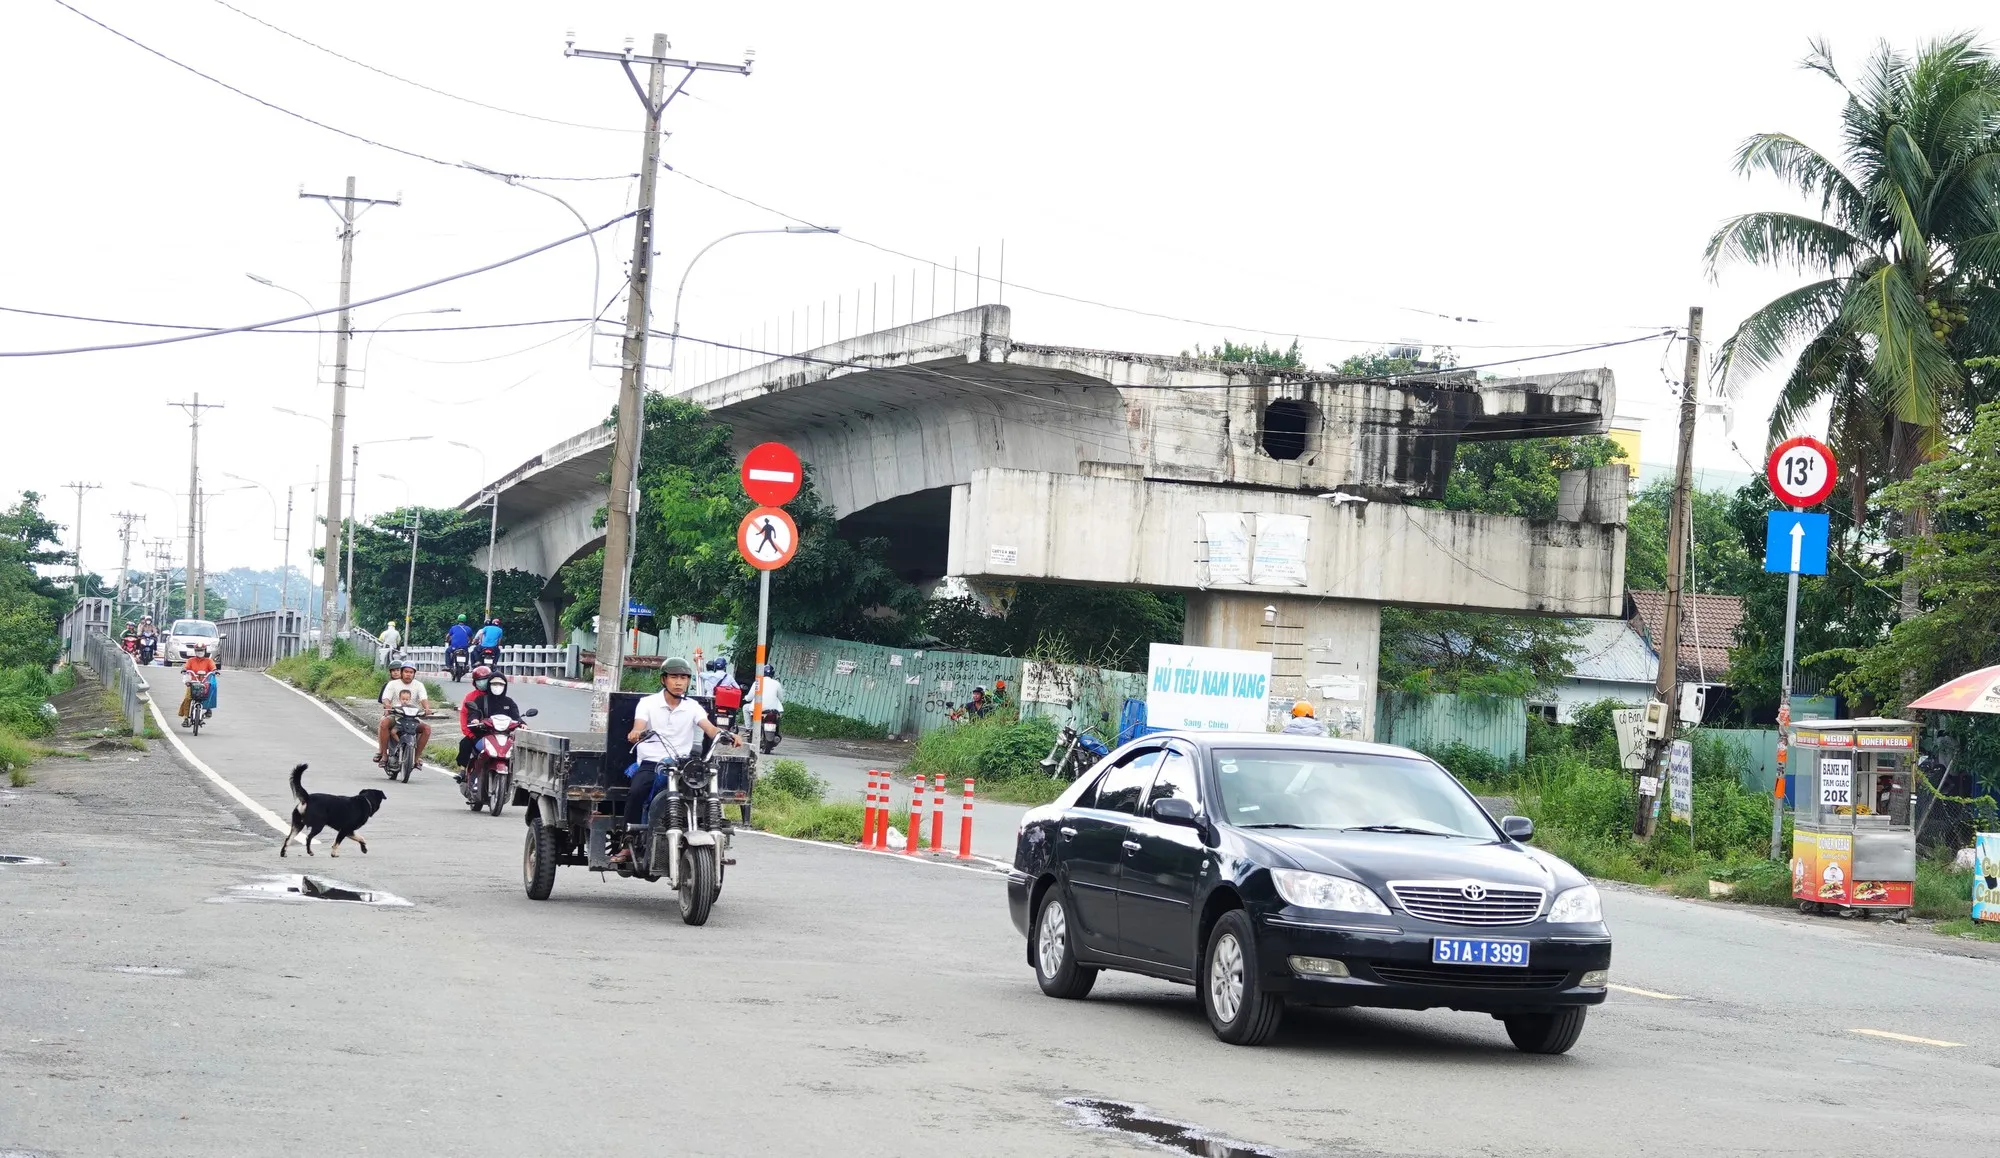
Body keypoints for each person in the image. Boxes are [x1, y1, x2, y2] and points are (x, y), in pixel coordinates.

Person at [614, 658, 739, 862]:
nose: (679, 682)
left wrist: (725, 734)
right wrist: (636, 732)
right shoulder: (648, 703)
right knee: (637, 791)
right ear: (664, 679)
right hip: (652, 763)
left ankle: (711, 843)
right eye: (674, 677)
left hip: (681, 765)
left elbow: (708, 727)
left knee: (705, 796)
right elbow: (639, 724)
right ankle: (628, 842)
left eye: (683, 678)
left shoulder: (693, 707)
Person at [456, 666, 522, 780]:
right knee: (465, 744)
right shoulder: (478, 699)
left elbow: (517, 717)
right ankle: (464, 770)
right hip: (482, 733)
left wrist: (522, 724)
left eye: (500, 684)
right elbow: (471, 715)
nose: (497, 687)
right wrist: (474, 724)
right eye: (494, 684)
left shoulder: (509, 702)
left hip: (503, 734)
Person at [375, 659, 432, 765]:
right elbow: (386, 698)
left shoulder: (419, 685)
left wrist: (427, 708)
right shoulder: (392, 684)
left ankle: (416, 757)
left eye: (411, 672)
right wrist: (387, 705)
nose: (408, 674)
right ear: (401, 672)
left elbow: (423, 698)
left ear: (414, 674)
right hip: (396, 716)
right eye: (406, 672)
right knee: (384, 723)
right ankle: (384, 755)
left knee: (427, 729)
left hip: (413, 718)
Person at [178, 643, 220, 724]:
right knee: (187, 698)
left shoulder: (209, 661)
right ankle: (186, 718)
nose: (200, 652)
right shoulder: (191, 660)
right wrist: (184, 670)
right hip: (193, 683)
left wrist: (215, 671)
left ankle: (208, 709)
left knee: (211, 691)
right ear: (195, 651)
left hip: (205, 684)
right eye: (197, 650)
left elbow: (213, 667)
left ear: (205, 651)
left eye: (201, 650)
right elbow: (186, 666)